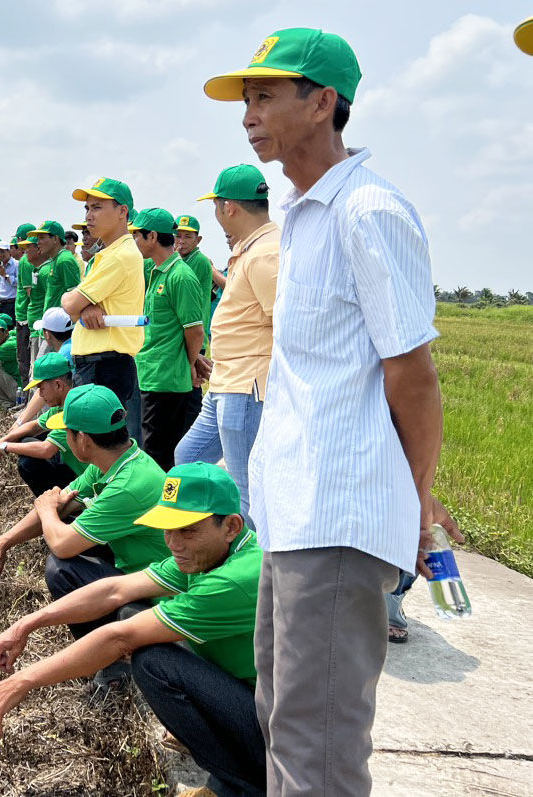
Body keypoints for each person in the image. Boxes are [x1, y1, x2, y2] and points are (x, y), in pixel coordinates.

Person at [204, 27, 462, 794]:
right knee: (283, 719)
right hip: (291, 511)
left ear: (323, 103)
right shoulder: (301, 217)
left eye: (265, 96)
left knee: (317, 748)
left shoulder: (367, 211)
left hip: (337, 516)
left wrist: (417, 500)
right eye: (245, 99)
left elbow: (412, 374)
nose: (248, 114)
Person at [0, 462, 266, 797]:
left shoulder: (233, 580)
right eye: (167, 529)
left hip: (273, 728)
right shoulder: (213, 553)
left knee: (153, 661)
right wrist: (26, 623)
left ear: (231, 526)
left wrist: (23, 680)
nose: (173, 543)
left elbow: (119, 639)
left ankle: (239, 786)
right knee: (133, 615)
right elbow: (115, 590)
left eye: (187, 530)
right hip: (256, 699)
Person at [0, 385, 168, 628]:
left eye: (67, 431)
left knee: (61, 569)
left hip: (159, 595)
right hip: (138, 568)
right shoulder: (112, 462)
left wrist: (46, 509)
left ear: (83, 440)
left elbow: (62, 544)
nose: (64, 438)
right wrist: (2, 542)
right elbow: (61, 504)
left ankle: (117, 643)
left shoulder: (128, 486)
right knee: (66, 525)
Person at [174, 164, 279, 528]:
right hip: (226, 381)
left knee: (245, 487)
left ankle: (250, 557)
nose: (217, 217)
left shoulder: (266, 254)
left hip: (246, 387)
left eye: (216, 207)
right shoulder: (250, 249)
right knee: (188, 457)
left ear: (229, 207)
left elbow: (286, 327)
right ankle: (211, 540)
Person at [60, 177, 146, 445]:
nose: (89, 216)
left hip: (104, 366)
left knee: (99, 449)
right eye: (87, 208)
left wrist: (79, 304)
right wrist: (85, 305)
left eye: (97, 207)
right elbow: (74, 305)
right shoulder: (108, 254)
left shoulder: (118, 256)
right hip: (100, 364)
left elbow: (69, 304)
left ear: (122, 211)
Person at [131, 208, 207, 471]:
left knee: (160, 456)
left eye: (137, 235)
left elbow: (195, 331)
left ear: (152, 237)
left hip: (167, 380)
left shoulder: (180, 276)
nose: (134, 241)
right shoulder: (156, 271)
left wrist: (189, 363)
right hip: (153, 375)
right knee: (154, 450)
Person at [0, 353, 87, 494]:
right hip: (79, 471)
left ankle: (62, 504)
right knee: (25, 440)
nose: (40, 395)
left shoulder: (72, 411)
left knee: (27, 463)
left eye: (41, 388)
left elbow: (46, 450)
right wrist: (1, 440)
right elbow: (34, 426)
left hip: (89, 482)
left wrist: (4, 447)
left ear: (58, 385)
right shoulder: (64, 404)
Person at [174, 215, 215, 342]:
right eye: (178, 236)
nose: (182, 241)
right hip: (181, 334)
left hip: (193, 336)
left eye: (187, 236)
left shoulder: (199, 260)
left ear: (198, 240)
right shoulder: (180, 259)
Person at [31, 221, 82, 318]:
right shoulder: (56, 259)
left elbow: (74, 296)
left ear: (55, 239)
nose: (38, 243)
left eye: (42, 238)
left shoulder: (64, 260)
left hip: (61, 323)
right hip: (52, 321)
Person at [13, 224, 38, 384]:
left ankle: (26, 395)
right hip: (28, 316)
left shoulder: (25, 261)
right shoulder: (32, 260)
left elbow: (30, 292)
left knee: (25, 360)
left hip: (25, 317)